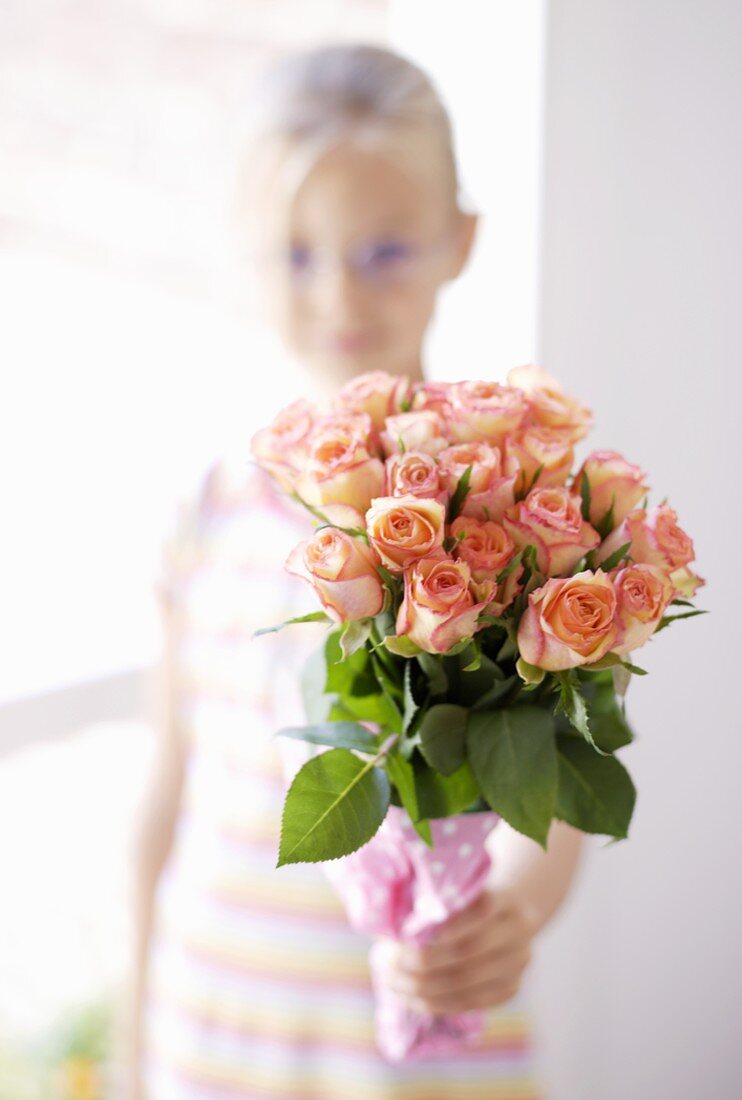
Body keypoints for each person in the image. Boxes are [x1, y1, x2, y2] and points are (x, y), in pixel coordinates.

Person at [119, 42, 586, 1100]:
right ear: (244, 253)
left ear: (458, 240)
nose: (337, 291)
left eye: (382, 250)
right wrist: (137, 1028)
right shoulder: (208, 508)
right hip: (216, 1035)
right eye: (294, 253)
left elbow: (548, 787)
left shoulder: (504, 507)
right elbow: (167, 791)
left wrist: (511, 909)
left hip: (423, 1051)